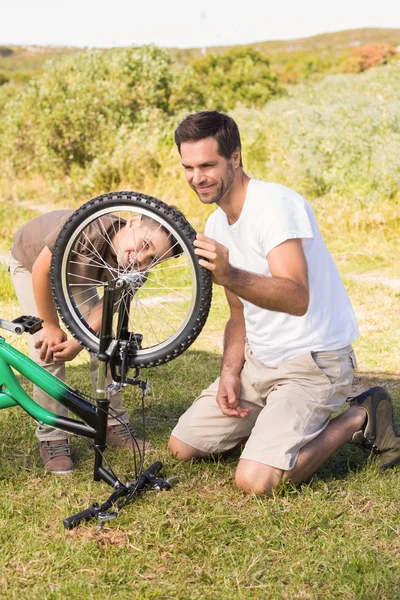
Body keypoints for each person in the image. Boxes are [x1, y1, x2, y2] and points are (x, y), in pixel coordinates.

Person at [169, 110, 400, 495]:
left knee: (255, 482)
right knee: (183, 447)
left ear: (236, 157)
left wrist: (232, 275)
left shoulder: (275, 205)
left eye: (208, 165)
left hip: (312, 362)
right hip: (259, 363)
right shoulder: (215, 225)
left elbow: (297, 296)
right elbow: (238, 311)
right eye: (188, 167)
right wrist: (230, 371)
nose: (197, 178)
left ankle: (360, 417)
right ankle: (270, 424)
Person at [10, 208, 178, 474]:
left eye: (153, 258)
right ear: (132, 221)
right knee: (48, 348)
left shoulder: (137, 269)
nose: (141, 258)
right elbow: (43, 269)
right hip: (32, 264)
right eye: (145, 244)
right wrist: (50, 326)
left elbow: (107, 311)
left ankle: (112, 424)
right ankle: (53, 436)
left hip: (76, 274)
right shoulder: (90, 229)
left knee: (107, 343)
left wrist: (79, 342)